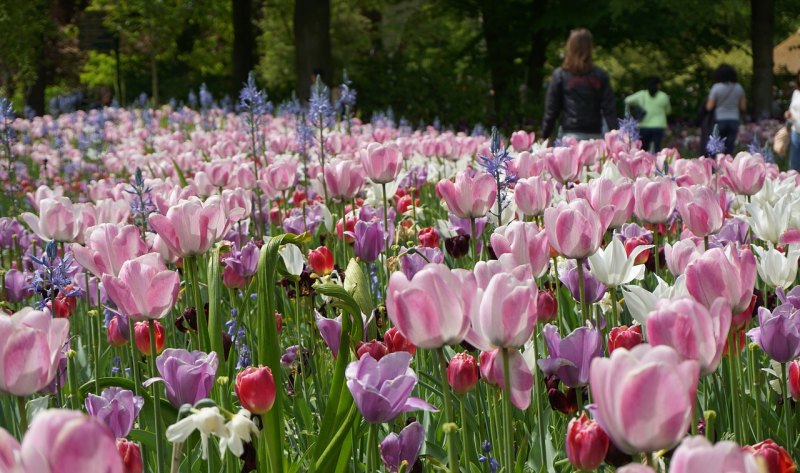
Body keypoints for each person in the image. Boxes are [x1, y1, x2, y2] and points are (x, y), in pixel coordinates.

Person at [541, 28, 616, 144]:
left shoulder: (560, 75)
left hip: (570, 134)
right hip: (594, 135)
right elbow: (609, 110)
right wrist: (615, 136)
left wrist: (545, 136)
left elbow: (552, 110)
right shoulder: (600, 75)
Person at [705, 63, 746, 155]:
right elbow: (743, 107)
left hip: (720, 120)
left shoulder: (716, 87)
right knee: (729, 148)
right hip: (734, 120)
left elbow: (709, 106)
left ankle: (717, 167)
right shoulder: (738, 88)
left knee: (716, 150)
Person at [624, 77, 671, 152]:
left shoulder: (642, 94)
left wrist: (637, 106)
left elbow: (627, 100)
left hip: (644, 126)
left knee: (643, 150)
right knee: (657, 150)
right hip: (659, 126)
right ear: (658, 85)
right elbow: (668, 111)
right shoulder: (663, 96)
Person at [786, 70, 800, 171]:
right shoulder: (796, 92)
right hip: (796, 131)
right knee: (794, 165)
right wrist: (788, 114)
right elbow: (791, 109)